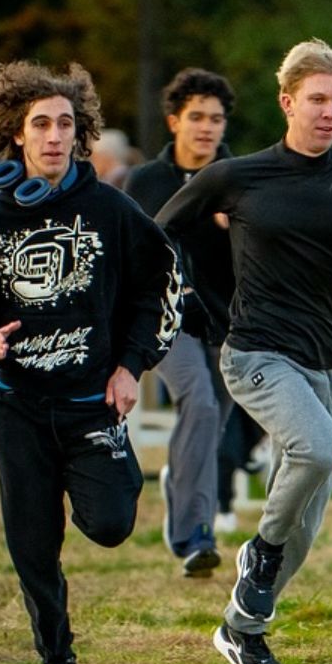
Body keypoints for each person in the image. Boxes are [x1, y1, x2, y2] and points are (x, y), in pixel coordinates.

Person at [0, 61, 181, 664]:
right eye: (39, 124)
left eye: (65, 124)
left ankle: (110, 470)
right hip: (18, 410)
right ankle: (56, 661)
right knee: (33, 549)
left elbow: (162, 281)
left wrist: (132, 364)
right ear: (17, 135)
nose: (53, 136)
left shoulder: (110, 210)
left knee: (108, 526)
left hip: (92, 406)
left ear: (80, 134)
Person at [158, 38, 332, 664]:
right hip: (256, 351)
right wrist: (189, 303)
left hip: (327, 364)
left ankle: (242, 627)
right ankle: (257, 556)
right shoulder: (237, 176)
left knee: (307, 530)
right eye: (317, 99)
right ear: (288, 102)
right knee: (319, 451)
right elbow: (159, 235)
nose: (329, 112)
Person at [124, 68, 237, 578]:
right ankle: (196, 534)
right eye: (196, 117)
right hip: (167, 320)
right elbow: (136, 252)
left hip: (232, 321)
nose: (207, 128)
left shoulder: (241, 177)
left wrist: (241, 229)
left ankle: (183, 482)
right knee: (201, 401)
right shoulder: (146, 182)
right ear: (174, 121)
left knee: (212, 422)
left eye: (216, 118)